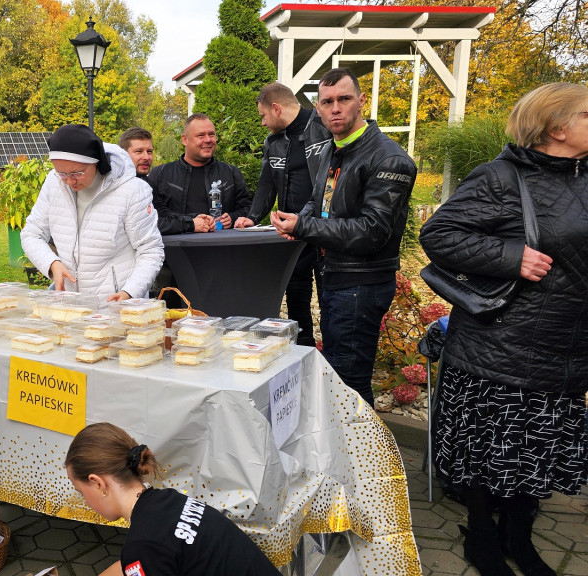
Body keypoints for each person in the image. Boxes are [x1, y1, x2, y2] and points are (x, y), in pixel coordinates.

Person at [419, 82, 588, 576]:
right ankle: (481, 537)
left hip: (566, 347)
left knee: (537, 451)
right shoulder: (501, 177)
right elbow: (440, 234)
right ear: (557, 127)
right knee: (486, 450)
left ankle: (520, 536)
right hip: (500, 347)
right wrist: (510, 256)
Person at [270, 68, 415, 405]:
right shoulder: (330, 150)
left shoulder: (389, 158)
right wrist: (300, 219)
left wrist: (304, 228)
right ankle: (344, 453)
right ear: (317, 109)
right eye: (327, 102)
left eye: (344, 99)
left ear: (361, 101)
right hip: (334, 276)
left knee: (350, 385)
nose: (335, 108)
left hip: (362, 283)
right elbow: (319, 201)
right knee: (337, 374)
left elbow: (371, 232)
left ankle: (363, 456)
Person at [65, 423, 281, 576]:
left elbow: (144, 556)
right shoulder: (168, 502)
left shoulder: (144, 543)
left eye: (81, 492)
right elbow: (135, 565)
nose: (84, 500)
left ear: (98, 483)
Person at [21, 124, 164, 301]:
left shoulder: (132, 191)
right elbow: (31, 234)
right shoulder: (54, 182)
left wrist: (130, 292)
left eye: (77, 173)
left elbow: (151, 250)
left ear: (96, 162)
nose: (69, 181)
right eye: (62, 174)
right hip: (73, 304)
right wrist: (52, 264)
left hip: (117, 305)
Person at [237, 82, 332, 346]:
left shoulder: (323, 127)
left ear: (276, 109)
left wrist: (308, 219)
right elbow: (266, 183)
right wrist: (253, 217)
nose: (262, 123)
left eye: (263, 116)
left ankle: (333, 356)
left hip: (325, 229)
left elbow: (331, 183)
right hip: (292, 234)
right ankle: (304, 350)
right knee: (296, 294)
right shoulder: (273, 141)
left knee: (329, 299)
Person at [147, 113, 252, 234]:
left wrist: (233, 218)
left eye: (211, 134)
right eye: (201, 135)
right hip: (177, 249)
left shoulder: (231, 173)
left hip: (221, 247)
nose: (208, 140)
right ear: (185, 139)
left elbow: (247, 208)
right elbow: (152, 215)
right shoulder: (162, 174)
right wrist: (188, 223)